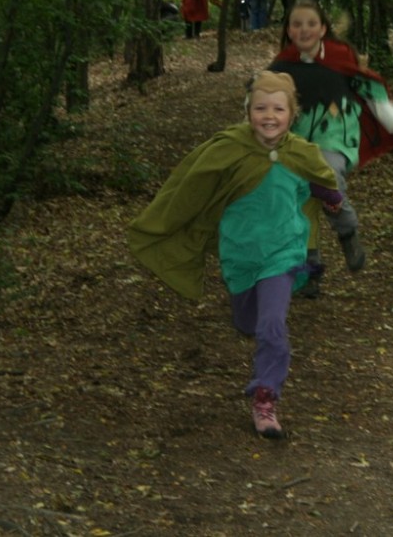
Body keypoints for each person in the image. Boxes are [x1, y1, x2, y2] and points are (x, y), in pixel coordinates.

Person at [127, 71, 342, 439]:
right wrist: (170, 223)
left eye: (278, 109)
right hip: (240, 254)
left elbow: (318, 178)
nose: (269, 116)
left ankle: (265, 397)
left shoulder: (300, 153)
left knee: (272, 326)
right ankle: (260, 318)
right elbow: (193, 185)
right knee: (248, 321)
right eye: (260, 108)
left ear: (292, 114)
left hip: (283, 251)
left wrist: (332, 198)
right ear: (248, 112)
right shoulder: (228, 148)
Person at [269, 0, 393, 298]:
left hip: (336, 137)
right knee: (299, 202)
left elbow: (371, 94)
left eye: (311, 23)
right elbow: (265, 100)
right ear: (289, 30)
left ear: (323, 28)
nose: (304, 29)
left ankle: (347, 230)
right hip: (297, 143)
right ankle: (309, 271)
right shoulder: (282, 66)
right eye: (297, 24)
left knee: (325, 175)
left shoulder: (340, 58)